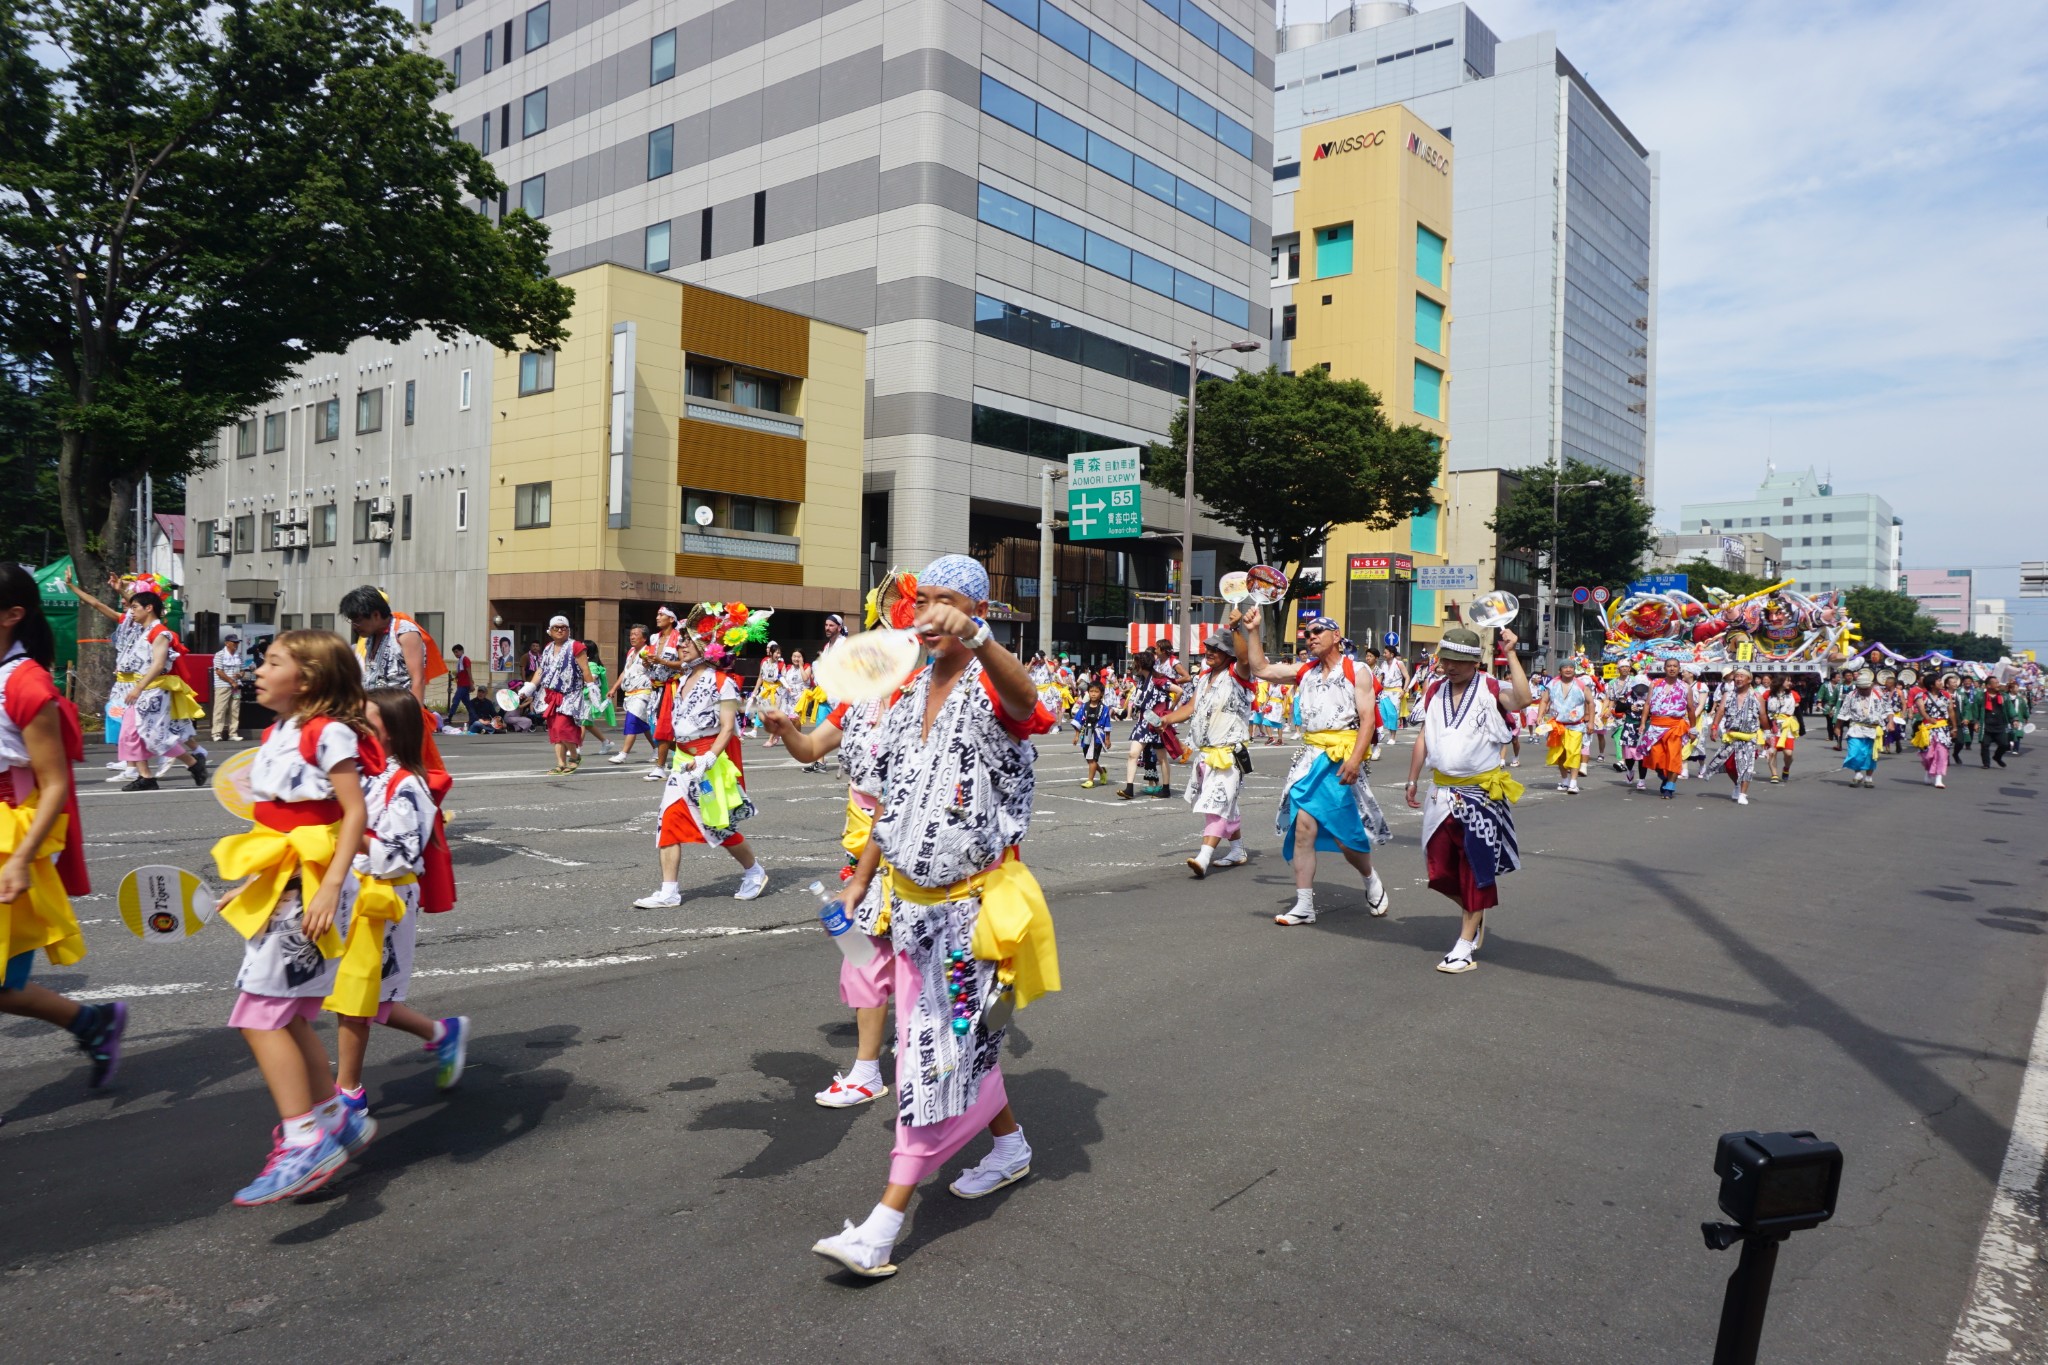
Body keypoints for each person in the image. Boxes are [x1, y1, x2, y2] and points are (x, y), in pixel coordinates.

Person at [810, 553, 1057, 1280]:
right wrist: (860, 882)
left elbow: (1027, 702)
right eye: (925, 601)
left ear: (977, 609)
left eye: (947, 601)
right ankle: (1009, 1147)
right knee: (958, 1049)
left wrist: (979, 638)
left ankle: (882, 1227)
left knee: (929, 1063)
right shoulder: (910, 684)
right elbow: (890, 800)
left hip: (968, 915)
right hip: (907, 906)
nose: (930, 613)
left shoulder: (987, 682)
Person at [208, 631, 377, 1204]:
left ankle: (305, 1141)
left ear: (305, 679)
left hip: (313, 887)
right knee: (290, 1013)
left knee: (259, 1012)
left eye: (273, 661)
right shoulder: (278, 732)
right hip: (287, 883)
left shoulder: (326, 732)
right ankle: (335, 1116)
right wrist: (250, 887)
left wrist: (330, 885)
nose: (259, 668)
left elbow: (354, 812)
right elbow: (278, 830)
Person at [761, 570, 917, 1109]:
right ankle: (871, 1067)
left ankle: (914, 1061)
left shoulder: (921, 704)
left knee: (915, 961)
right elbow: (810, 749)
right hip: (861, 853)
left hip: (908, 851)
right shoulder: (856, 704)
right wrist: (786, 730)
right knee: (862, 956)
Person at [0, 565, 129, 1089]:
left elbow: (53, 786)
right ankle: (90, 1022)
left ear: (12, 616)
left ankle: (91, 1022)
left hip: (11, 836)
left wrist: (20, 859)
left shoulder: (26, 682)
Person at [327, 688, 471, 1114]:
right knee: (374, 1000)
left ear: (390, 731)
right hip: (349, 891)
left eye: (365, 719)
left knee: (355, 995)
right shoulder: (357, 771)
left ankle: (347, 1093)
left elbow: (399, 857)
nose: (355, 726)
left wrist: (349, 835)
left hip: (381, 898)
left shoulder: (408, 785)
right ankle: (443, 1034)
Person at [1240, 613, 1391, 927]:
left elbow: (1367, 720)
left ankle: (1369, 877)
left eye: (1317, 631)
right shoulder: (1304, 671)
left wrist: (1355, 760)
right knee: (1304, 829)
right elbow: (1261, 669)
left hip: (1341, 757)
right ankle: (1305, 904)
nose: (1310, 637)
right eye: (1306, 633)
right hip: (1309, 758)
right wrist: (1252, 630)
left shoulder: (1357, 670)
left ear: (1336, 636)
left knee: (1343, 836)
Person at [1404, 626, 1532, 974]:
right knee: (1440, 872)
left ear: (1476, 661)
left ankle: (1463, 945)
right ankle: (1476, 912)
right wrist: (1413, 778)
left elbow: (1522, 699)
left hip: (1480, 797)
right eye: (1446, 659)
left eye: (1460, 661)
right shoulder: (1433, 691)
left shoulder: (1491, 689)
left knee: (1475, 869)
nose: (1451, 666)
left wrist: (1512, 653)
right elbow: (1423, 737)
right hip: (1440, 793)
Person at [633, 604, 767, 908]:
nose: (680, 645)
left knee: (717, 824)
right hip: (683, 760)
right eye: (680, 641)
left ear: (705, 647)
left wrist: (707, 759)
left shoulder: (723, 683)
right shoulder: (681, 678)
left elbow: (728, 728)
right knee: (668, 819)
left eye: (686, 641)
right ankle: (669, 891)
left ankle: (755, 871)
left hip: (709, 761)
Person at [1160, 625, 1254, 878]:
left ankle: (1204, 857)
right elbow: (1191, 706)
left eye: (1217, 649)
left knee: (1217, 804)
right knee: (1226, 805)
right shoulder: (1203, 677)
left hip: (1228, 754)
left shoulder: (1238, 674)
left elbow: (1246, 658)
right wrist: (1168, 718)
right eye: (1209, 648)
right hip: (1206, 754)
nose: (1210, 652)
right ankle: (1237, 850)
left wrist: (1237, 629)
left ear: (1229, 654)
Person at [108, 581, 207, 792]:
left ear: (149, 608)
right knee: (129, 734)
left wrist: (138, 688)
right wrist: (120, 591)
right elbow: (134, 603)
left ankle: (193, 763)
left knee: (154, 738)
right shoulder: (140, 630)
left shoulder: (160, 632)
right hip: (140, 688)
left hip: (153, 690)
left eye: (134, 608)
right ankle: (146, 777)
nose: (130, 611)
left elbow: (159, 664)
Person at [523, 616, 597, 775]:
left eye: (564, 627)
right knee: (554, 731)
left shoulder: (576, 646)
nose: (560, 630)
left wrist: (591, 687)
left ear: (568, 630)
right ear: (550, 631)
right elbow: (541, 670)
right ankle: (560, 763)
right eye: (556, 627)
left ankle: (575, 757)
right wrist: (529, 687)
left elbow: (585, 669)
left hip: (570, 694)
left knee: (563, 727)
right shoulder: (548, 647)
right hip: (551, 694)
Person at [1116, 648, 1179, 800]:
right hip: (1144, 721)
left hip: (1156, 723)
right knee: (1133, 754)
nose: (1133, 665)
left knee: (1162, 758)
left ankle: (1165, 789)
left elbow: (1179, 691)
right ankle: (1129, 789)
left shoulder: (1158, 680)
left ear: (1142, 664)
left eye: (1135, 662)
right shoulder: (1142, 681)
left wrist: (1169, 711)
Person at [1704, 668, 1765, 805]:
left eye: (1742, 676)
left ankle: (1743, 793)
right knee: (1730, 765)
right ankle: (1737, 784)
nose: (1738, 679)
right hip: (1731, 735)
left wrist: (1768, 733)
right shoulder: (1728, 695)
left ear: (1749, 680)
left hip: (1749, 737)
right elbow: (1720, 712)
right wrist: (1714, 727)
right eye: (1736, 676)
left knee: (1746, 766)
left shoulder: (1757, 696)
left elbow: (1763, 716)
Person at [1644, 658, 1696, 799]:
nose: (1672, 668)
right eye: (1669, 666)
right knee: (1656, 757)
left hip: (1675, 726)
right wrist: (1643, 723)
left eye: (1675, 666)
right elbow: (1647, 704)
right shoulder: (1655, 684)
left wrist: (1693, 729)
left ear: (1679, 669)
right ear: (1664, 668)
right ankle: (1664, 776)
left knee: (1673, 757)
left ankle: (1670, 787)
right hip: (1655, 725)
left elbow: (1690, 709)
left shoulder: (1685, 687)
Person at [1537, 660, 1590, 795]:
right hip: (1557, 725)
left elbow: (1590, 702)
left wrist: (1590, 720)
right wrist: (1540, 715)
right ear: (1560, 670)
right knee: (1560, 754)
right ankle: (1565, 780)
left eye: (1571, 667)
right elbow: (1544, 700)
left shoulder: (1581, 684)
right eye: (1565, 667)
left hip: (1576, 725)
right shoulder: (1553, 684)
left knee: (1574, 753)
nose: (1568, 669)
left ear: (1574, 670)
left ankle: (1573, 783)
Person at [607, 625, 657, 765]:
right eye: (631, 634)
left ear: (644, 638)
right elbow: (625, 672)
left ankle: (623, 754)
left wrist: (650, 662)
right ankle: (657, 749)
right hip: (630, 694)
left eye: (636, 634)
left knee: (632, 721)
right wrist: (614, 688)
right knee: (644, 724)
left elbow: (654, 668)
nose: (632, 637)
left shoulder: (649, 651)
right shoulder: (630, 652)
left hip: (643, 693)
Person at [1836, 668, 1886, 789]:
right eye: (1861, 689)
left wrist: (1890, 722)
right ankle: (1858, 774)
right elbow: (1843, 712)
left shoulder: (1878, 695)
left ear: (1871, 686)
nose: (1864, 691)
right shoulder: (1851, 695)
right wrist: (1838, 726)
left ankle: (1869, 777)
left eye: (1867, 689)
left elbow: (1887, 709)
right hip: (1856, 727)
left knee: (1870, 754)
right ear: (1857, 688)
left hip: (1873, 729)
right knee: (1854, 752)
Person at [1911, 672, 1957, 789]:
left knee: (1942, 753)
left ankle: (1939, 778)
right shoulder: (1921, 696)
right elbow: (1921, 709)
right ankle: (1928, 770)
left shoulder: (1946, 695)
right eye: (1939, 681)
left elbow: (1951, 711)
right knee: (1927, 755)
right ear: (1932, 685)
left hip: (1943, 727)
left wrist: (1954, 727)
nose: (1942, 683)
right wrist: (1928, 718)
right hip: (1927, 728)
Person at [1071, 681, 1115, 787]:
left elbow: (1107, 724)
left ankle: (1090, 780)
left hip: (1098, 736)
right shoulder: (1084, 707)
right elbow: (1078, 721)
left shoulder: (1104, 709)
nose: (1093, 694)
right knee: (1088, 758)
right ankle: (1102, 771)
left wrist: (1107, 739)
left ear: (1101, 694)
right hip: (1086, 734)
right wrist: (1076, 736)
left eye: (1096, 692)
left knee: (1093, 758)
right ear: (1088, 693)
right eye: (1091, 691)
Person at [1764, 676, 1800, 783]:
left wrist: (1801, 727)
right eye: (1787, 680)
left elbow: (1798, 711)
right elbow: (1762, 710)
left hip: (1787, 726)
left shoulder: (1793, 694)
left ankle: (1786, 768)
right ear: (1780, 681)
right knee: (1772, 752)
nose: (1790, 682)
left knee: (1788, 753)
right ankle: (1774, 774)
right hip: (1773, 725)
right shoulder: (1768, 694)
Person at [211, 631, 246, 742]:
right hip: (223, 686)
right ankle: (216, 733)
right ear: (227, 643)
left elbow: (242, 670)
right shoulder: (219, 654)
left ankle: (233, 733)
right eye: (234, 642)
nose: (236, 644)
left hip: (236, 686)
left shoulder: (238, 655)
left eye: (237, 642)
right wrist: (231, 681)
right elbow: (219, 671)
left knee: (235, 709)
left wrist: (240, 675)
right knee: (220, 709)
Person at [1976, 678, 2014, 769]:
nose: (1998, 685)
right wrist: (1976, 722)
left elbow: (2010, 709)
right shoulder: (1981, 696)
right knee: (1985, 745)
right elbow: (1975, 710)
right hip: (1986, 725)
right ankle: (1986, 764)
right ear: (1988, 686)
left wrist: (2014, 719)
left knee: (2004, 745)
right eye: (1996, 683)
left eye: (1998, 683)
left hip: (2000, 725)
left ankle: (1997, 757)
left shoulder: (2004, 696)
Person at [444, 644, 478, 727]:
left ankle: (449, 717)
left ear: (462, 651)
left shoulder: (465, 659)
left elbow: (468, 671)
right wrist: (455, 678)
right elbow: (461, 673)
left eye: (457, 651)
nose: (456, 654)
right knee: (467, 703)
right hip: (461, 684)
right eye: (454, 652)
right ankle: (474, 718)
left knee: (456, 700)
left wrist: (471, 684)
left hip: (464, 685)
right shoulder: (460, 660)